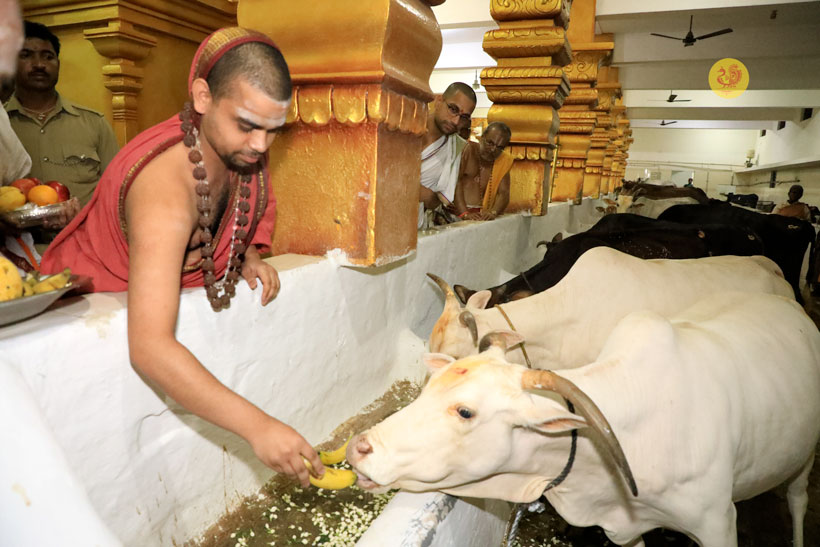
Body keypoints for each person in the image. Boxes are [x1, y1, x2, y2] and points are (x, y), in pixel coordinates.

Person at [40, 27, 325, 487]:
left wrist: (245, 251)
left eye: (273, 130)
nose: (260, 146)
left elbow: (240, 206)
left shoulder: (236, 148)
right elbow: (149, 348)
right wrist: (259, 429)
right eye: (247, 125)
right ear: (202, 96)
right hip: (78, 341)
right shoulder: (165, 192)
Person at [5, 21, 119, 207]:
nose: (39, 64)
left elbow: (117, 189)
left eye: (48, 57)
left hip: (85, 226)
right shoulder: (3, 126)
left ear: (58, 64)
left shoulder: (94, 123)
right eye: (26, 55)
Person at [418, 82, 476, 229]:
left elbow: (439, 199)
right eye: (453, 109)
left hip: (413, 226)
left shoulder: (456, 147)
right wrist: (418, 191)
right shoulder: (406, 127)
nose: (456, 121)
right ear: (438, 101)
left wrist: (427, 196)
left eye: (464, 117)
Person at [452, 121, 513, 221]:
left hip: (480, 217)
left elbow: (504, 193)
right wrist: (464, 213)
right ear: (482, 136)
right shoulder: (467, 149)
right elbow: (455, 182)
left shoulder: (503, 161)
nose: (493, 149)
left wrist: (493, 212)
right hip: (454, 214)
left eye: (499, 147)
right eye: (490, 143)